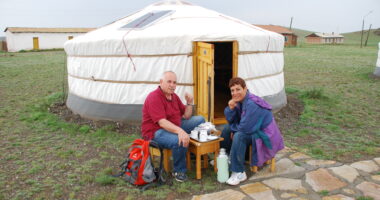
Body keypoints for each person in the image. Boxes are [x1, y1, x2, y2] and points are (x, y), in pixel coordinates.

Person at [141, 71, 205, 182]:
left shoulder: (173, 96)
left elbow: (186, 115)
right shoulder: (154, 97)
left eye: (174, 82)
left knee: (200, 119)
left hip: (174, 126)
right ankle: (179, 171)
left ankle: (192, 151)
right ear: (161, 82)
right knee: (178, 140)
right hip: (156, 132)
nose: (172, 85)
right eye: (169, 81)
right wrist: (180, 131)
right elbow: (162, 122)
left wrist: (189, 103)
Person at [221, 77, 284, 185]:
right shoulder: (240, 101)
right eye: (232, 90)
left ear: (245, 88)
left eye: (238, 89)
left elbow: (245, 128)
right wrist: (230, 108)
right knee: (227, 128)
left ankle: (239, 172)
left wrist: (235, 130)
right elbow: (232, 120)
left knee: (239, 135)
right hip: (253, 129)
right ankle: (225, 156)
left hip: (264, 135)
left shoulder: (252, 104)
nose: (235, 93)